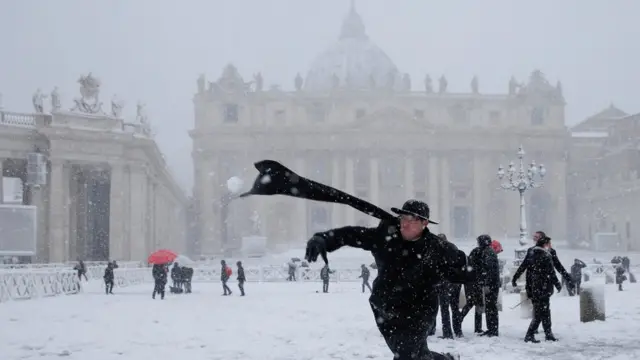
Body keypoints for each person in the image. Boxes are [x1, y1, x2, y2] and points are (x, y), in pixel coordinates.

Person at [305, 199, 463, 360]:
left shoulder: (437, 247)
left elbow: (463, 269)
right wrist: (323, 239)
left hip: (420, 308)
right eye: (403, 219)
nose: (405, 224)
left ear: (425, 223)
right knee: (416, 354)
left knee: (406, 353)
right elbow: (352, 234)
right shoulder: (384, 239)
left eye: (411, 220)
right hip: (387, 307)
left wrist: (462, 269)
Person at [512, 235, 561, 343]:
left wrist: (515, 278)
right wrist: (557, 284)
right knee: (542, 313)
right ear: (545, 245)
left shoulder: (531, 253)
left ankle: (548, 333)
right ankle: (531, 335)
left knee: (542, 312)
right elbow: (551, 273)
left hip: (534, 288)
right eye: (548, 244)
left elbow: (522, 267)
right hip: (544, 288)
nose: (550, 246)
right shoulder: (546, 255)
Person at [462, 235, 501, 337]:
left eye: (479, 241)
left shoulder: (488, 252)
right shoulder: (487, 251)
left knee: (491, 307)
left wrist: (486, 283)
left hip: (490, 284)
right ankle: (491, 329)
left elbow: (488, 270)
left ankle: (493, 330)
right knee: (489, 307)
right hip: (490, 284)